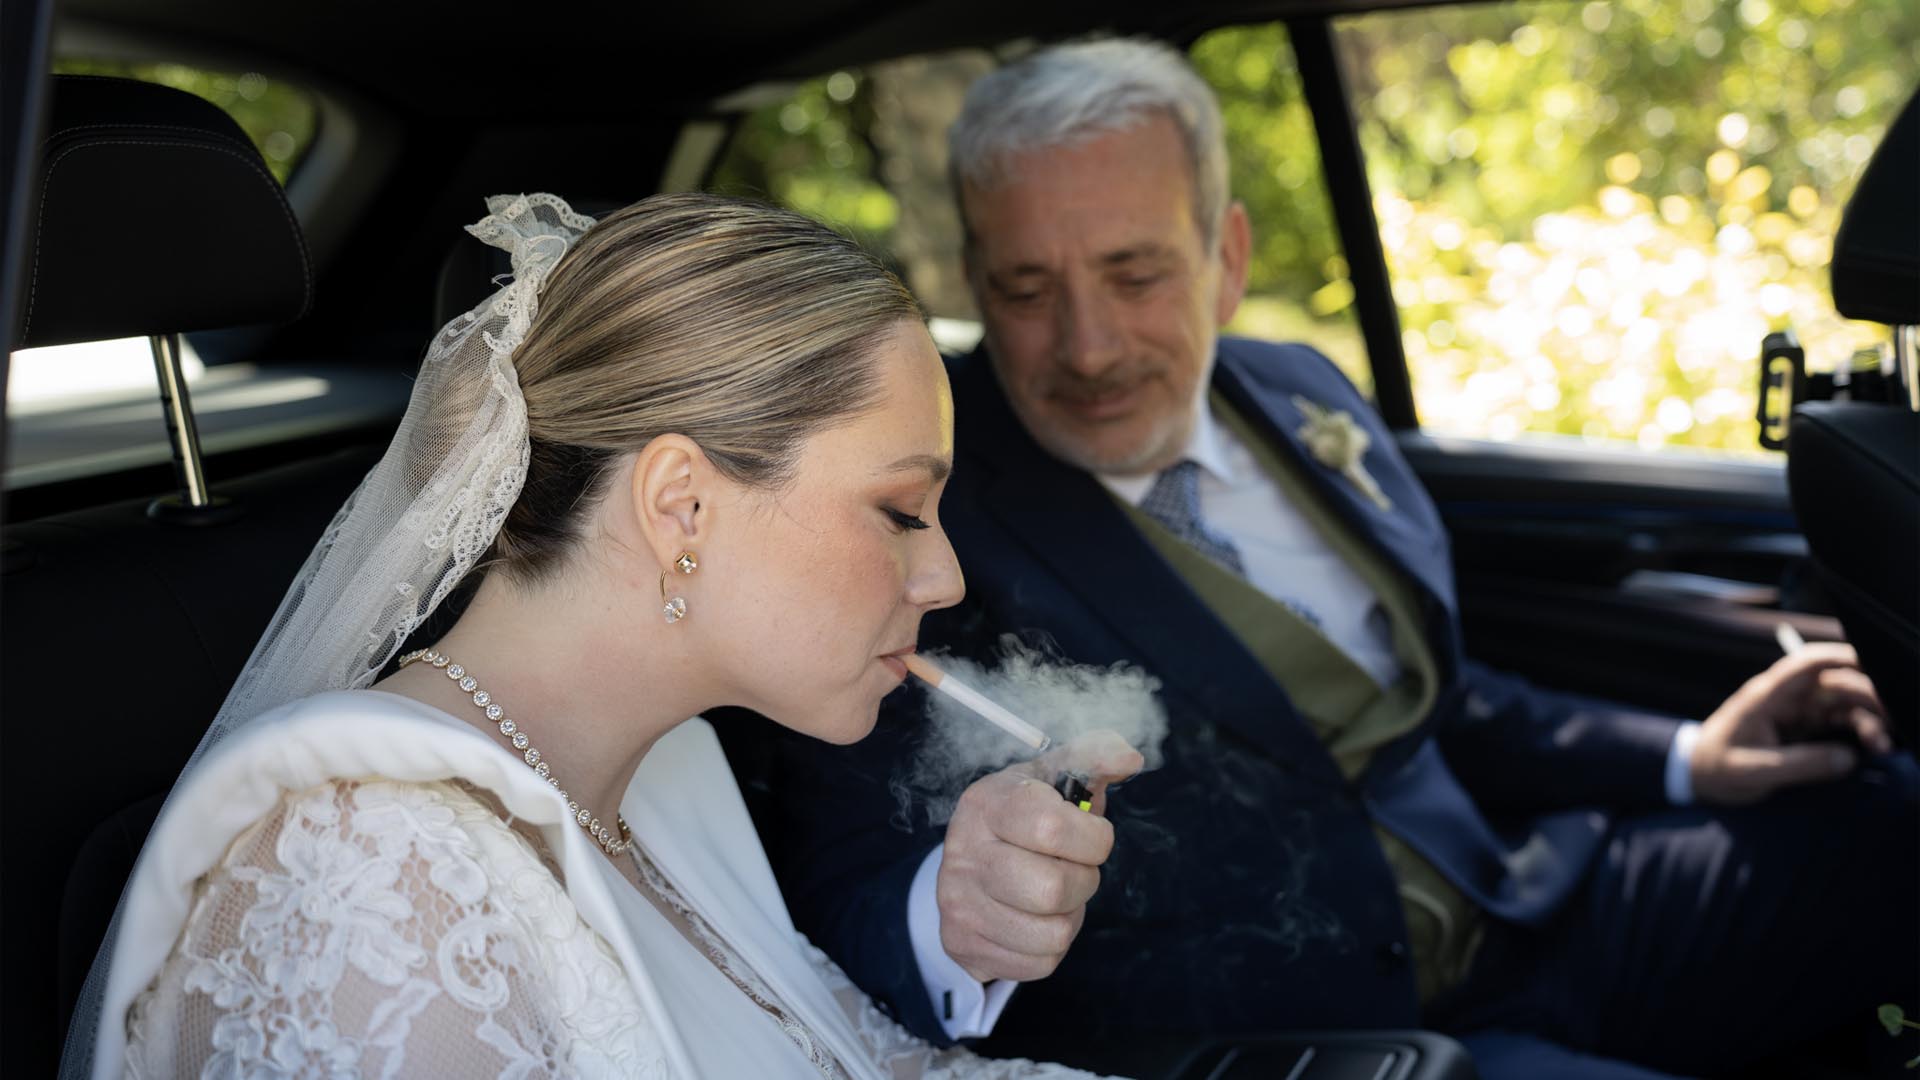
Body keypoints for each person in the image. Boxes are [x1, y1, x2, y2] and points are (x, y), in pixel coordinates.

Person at [764, 40, 1919, 1080]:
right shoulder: (920, 506)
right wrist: (952, 914)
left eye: (1135, 273)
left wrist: (1689, 759)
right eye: (1026, 288)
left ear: (1225, 255)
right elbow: (833, 885)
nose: (1089, 345)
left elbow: (1436, 704)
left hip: (1534, 903)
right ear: (973, 279)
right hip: (1325, 1037)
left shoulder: (1304, 394)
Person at [61, 192, 1141, 1080]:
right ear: (680, 505)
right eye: (901, 512)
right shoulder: (377, 891)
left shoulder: (665, 771)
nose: (943, 575)